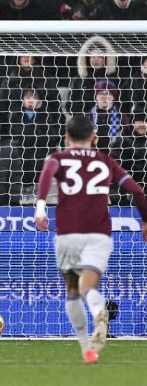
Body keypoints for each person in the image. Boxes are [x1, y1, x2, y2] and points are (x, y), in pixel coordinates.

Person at [34, 115, 147, 364]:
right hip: (99, 235)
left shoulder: (58, 159)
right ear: (93, 137)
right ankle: (98, 311)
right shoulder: (106, 161)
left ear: (67, 137)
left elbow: (46, 175)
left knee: (74, 291)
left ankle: (87, 348)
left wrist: (40, 209)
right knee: (88, 286)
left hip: (69, 234)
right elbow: (137, 191)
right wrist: (146, 220)